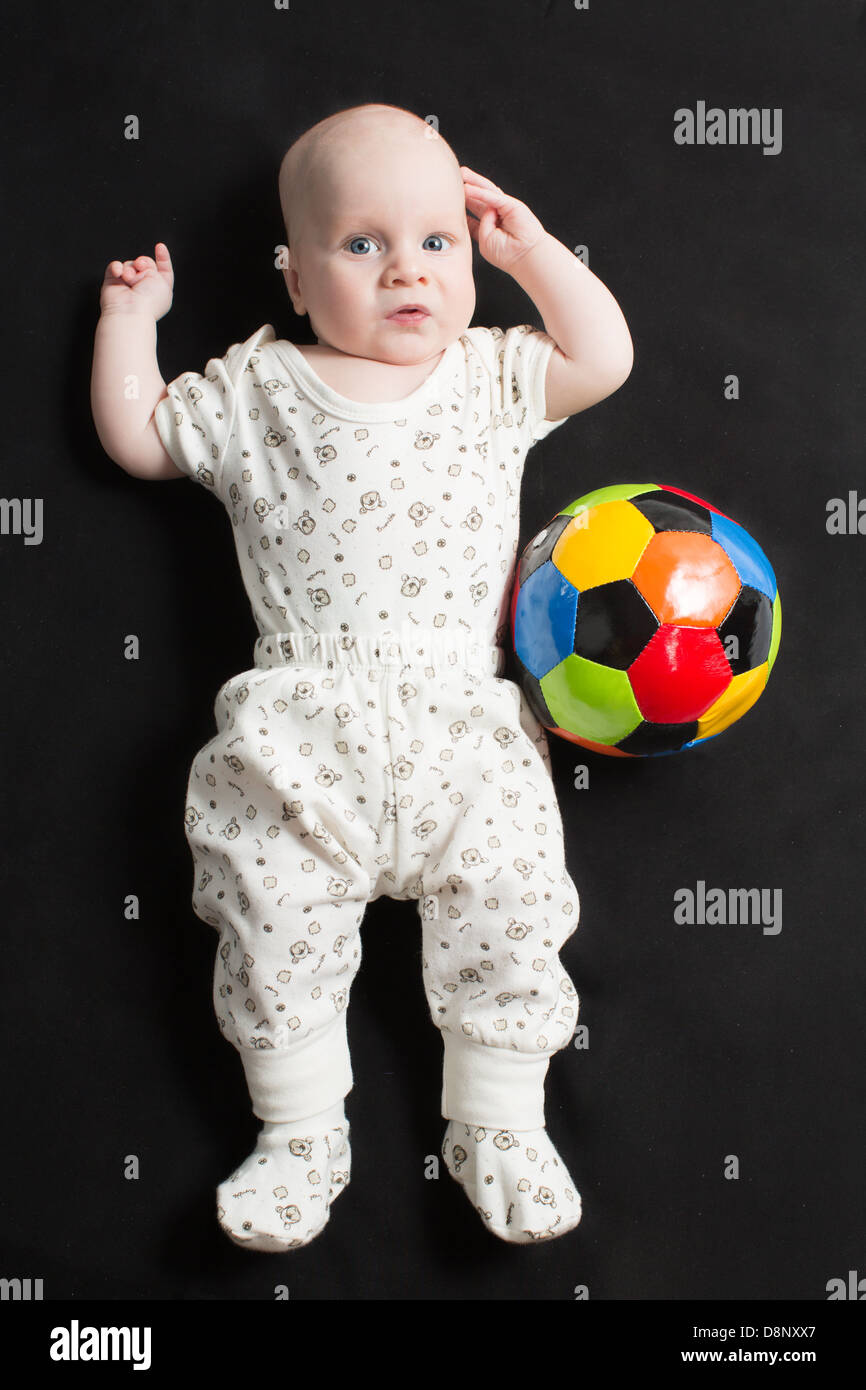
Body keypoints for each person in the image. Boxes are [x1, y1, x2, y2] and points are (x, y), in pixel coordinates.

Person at [90, 102, 633, 1250]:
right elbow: (137, 435)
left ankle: (498, 1119)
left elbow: (604, 358)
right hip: (301, 734)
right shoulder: (257, 392)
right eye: (362, 245)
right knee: (267, 917)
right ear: (293, 280)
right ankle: (295, 1131)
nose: (408, 273)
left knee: (513, 907)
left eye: (436, 243)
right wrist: (131, 321)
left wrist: (528, 252)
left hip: (462, 728)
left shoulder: (491, 379)